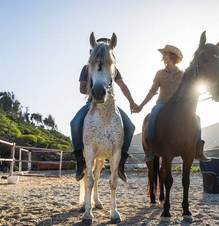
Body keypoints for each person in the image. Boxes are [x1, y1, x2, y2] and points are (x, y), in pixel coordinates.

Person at [71, 37, 139, 182]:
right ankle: (79, 161)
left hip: (110, 104)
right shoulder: (87, 68)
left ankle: (121, 163)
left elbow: (122, 86)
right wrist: (94, 91)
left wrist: (132, 102)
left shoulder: (112, 67)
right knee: (74, 123)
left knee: (130, 126)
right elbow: (82, 88)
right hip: (92, 103)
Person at [136, 45, 209, 162]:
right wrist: (141, 105)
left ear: (172, 56)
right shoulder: (159, 73)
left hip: (179, 106)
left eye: (165, 54)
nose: (163, 56)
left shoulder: (183, 74)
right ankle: (150, 148)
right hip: (162, 104)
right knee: (153, 115)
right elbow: (152, 91)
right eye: (163, 54)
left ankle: (199, 150)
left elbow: (190, 89)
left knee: (197, 118)